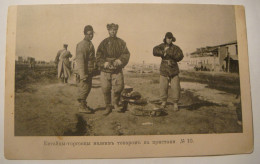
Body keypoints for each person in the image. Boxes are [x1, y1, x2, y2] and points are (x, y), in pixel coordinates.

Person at [96, 23, 130, 115]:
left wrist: (120, 61)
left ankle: (115, 103)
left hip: (117, 69)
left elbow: (126, 54)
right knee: (106, 89)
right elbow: (98, 55)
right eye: (111, 30)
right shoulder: (103, 43)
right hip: (105, 70)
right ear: (108, 31)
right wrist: (104, 63)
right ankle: (108, 106)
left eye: (115, 30)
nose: (113, 32)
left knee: (119, 87)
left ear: (117, 31)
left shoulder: (121, 42)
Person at [153, 32, 184, 111]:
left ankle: (175, 103)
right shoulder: (161, 46)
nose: (169, 40)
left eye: (170, 38)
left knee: (176, 87)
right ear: (165, 39)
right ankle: (163, 102)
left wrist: (170, 53)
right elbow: (154, 50)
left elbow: (180, 56)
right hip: (164, 68)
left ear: (172, 39)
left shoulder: (176, 48)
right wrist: (163, 52)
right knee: (163, 86)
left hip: (173, 68)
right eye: (167, 38)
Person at [75, 25, 96, 113]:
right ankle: (82, 107)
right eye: (89, 34)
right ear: (85, 34)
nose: (91, 36)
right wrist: (82, 74)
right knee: (84, 88)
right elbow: (80, 60)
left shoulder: (89, 44)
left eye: (92, 34)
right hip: (84, 71)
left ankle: (83, 105)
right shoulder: (82, 45)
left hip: (89, 71)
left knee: (87, 88)